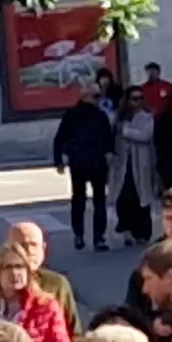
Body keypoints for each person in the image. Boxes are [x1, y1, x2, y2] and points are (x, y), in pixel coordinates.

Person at [53, 87, 116, 251]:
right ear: (84, 97)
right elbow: (60, 138)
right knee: (79, 199)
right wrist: (58, 159)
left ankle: (98, 238)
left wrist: (109, 153)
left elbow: (108, 136)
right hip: (79, 161)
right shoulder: (72, 115)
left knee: (99, 200)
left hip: (97, 161)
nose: (98, 99)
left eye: (99, 96)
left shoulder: (100, 115)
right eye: (95, 96)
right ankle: (79, 234)